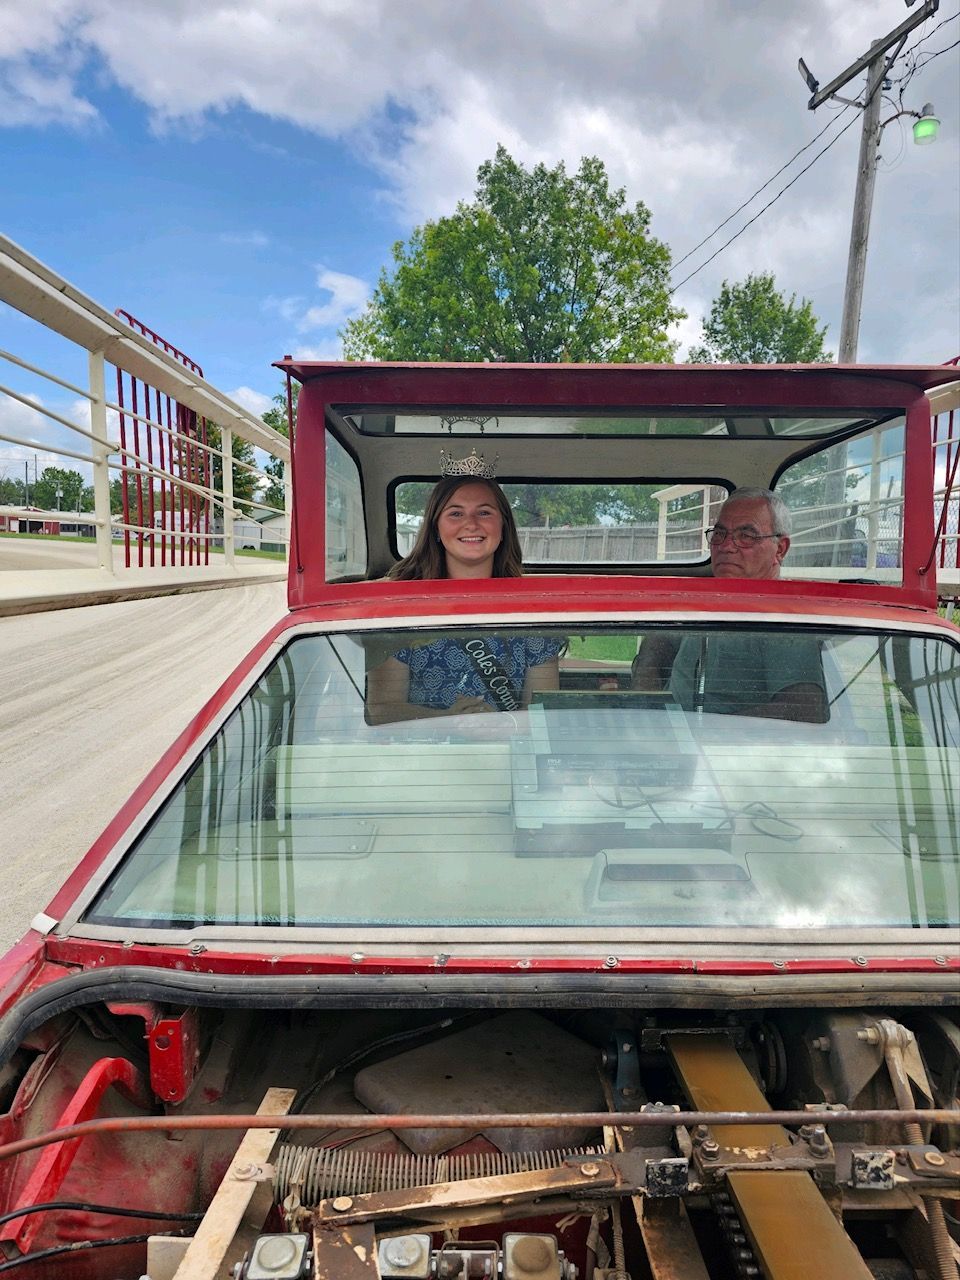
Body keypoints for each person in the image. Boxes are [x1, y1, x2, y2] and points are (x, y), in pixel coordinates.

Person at [366, 450, 561, 724]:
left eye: (484, 512)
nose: (471, 524)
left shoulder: (535, 611)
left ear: (503, 525)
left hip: (510, 760)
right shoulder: (400, 606)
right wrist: (448, 721)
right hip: (420, 761)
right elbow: (382, 709)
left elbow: (545, 714)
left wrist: (504, 726)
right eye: (456, 513)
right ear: (436, 526)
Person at [632, 487, 827, 723]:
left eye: (746, 536)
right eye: (719, 534)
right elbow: (661, 641)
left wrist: (708, 732)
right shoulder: (706, 602)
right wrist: (648, 696)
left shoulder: (783, 620)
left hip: (731, 754)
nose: (726, 546)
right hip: (671, 740)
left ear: (780, 549)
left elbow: (803, 708)